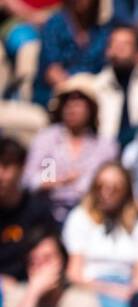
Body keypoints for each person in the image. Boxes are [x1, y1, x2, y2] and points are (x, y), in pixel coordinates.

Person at [62, 161, 138, 307]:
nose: (106, 193)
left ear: (125, 192)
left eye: (114, 188)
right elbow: (74, 274)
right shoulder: (80, 218)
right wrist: (112, 290)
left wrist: (132, 293)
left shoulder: (137, 224)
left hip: (127, 289)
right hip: (91, 287)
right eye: (100, 186)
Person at [21, 76, 118, 222]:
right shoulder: (47, 139)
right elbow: (28, 179)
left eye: (78, 104)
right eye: (68, 104)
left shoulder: (104, 147)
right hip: (48, 213)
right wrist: (58, 181)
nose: (72, 109)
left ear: (91, 108)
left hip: (90, 216)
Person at [0, 138, 58, 282]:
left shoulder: (39, 211)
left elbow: (50, 260)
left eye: (6, 166)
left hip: (26, 287)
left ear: (21, 169)